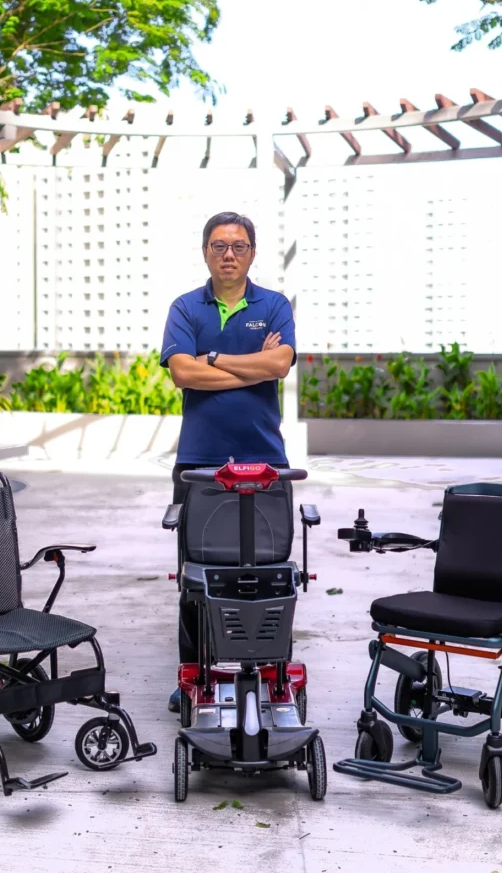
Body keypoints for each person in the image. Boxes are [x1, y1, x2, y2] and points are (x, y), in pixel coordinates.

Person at [160, 210, 296, 711]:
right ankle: (191, 675)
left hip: (266, 462)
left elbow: (279, 363)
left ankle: (267, 669)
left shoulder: (275, 305)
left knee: (267, 571)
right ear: (205, 252)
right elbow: (181, 373)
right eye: (219, 246)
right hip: (199, 461)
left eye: (238, 246)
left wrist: (212, 360)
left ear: (252, 254)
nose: (229, 254)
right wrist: (251, 370)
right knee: (195, 576)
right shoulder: (185, 307)